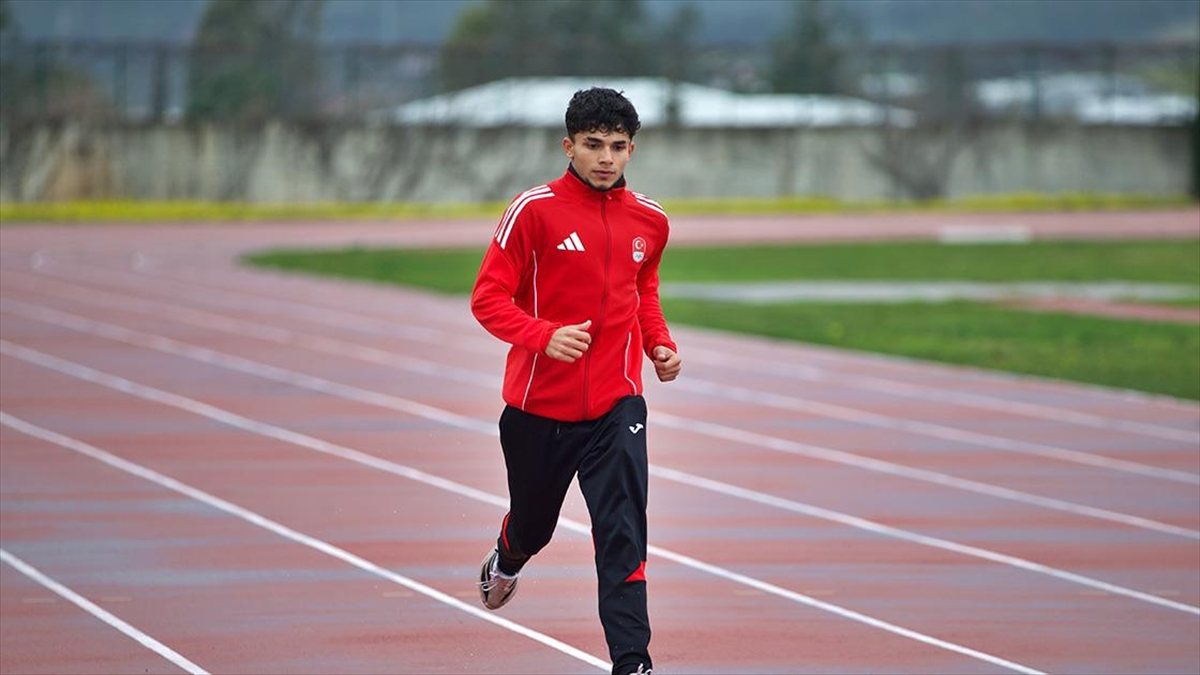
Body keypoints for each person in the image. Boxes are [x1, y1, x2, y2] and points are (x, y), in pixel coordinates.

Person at [470, 87, 681, 675]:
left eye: (618, 146)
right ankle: (509, 553)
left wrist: (658, 343)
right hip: (539, 410)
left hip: (618, 406)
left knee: (622, 532)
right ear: (568, 146)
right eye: (593, 145)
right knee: (534, 526)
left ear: (632, 149)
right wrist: (544, 336)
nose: (606, 158)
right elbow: (487, 299)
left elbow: (643, 290)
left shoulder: (651, 220)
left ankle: (632, 662)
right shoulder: (533, 211)